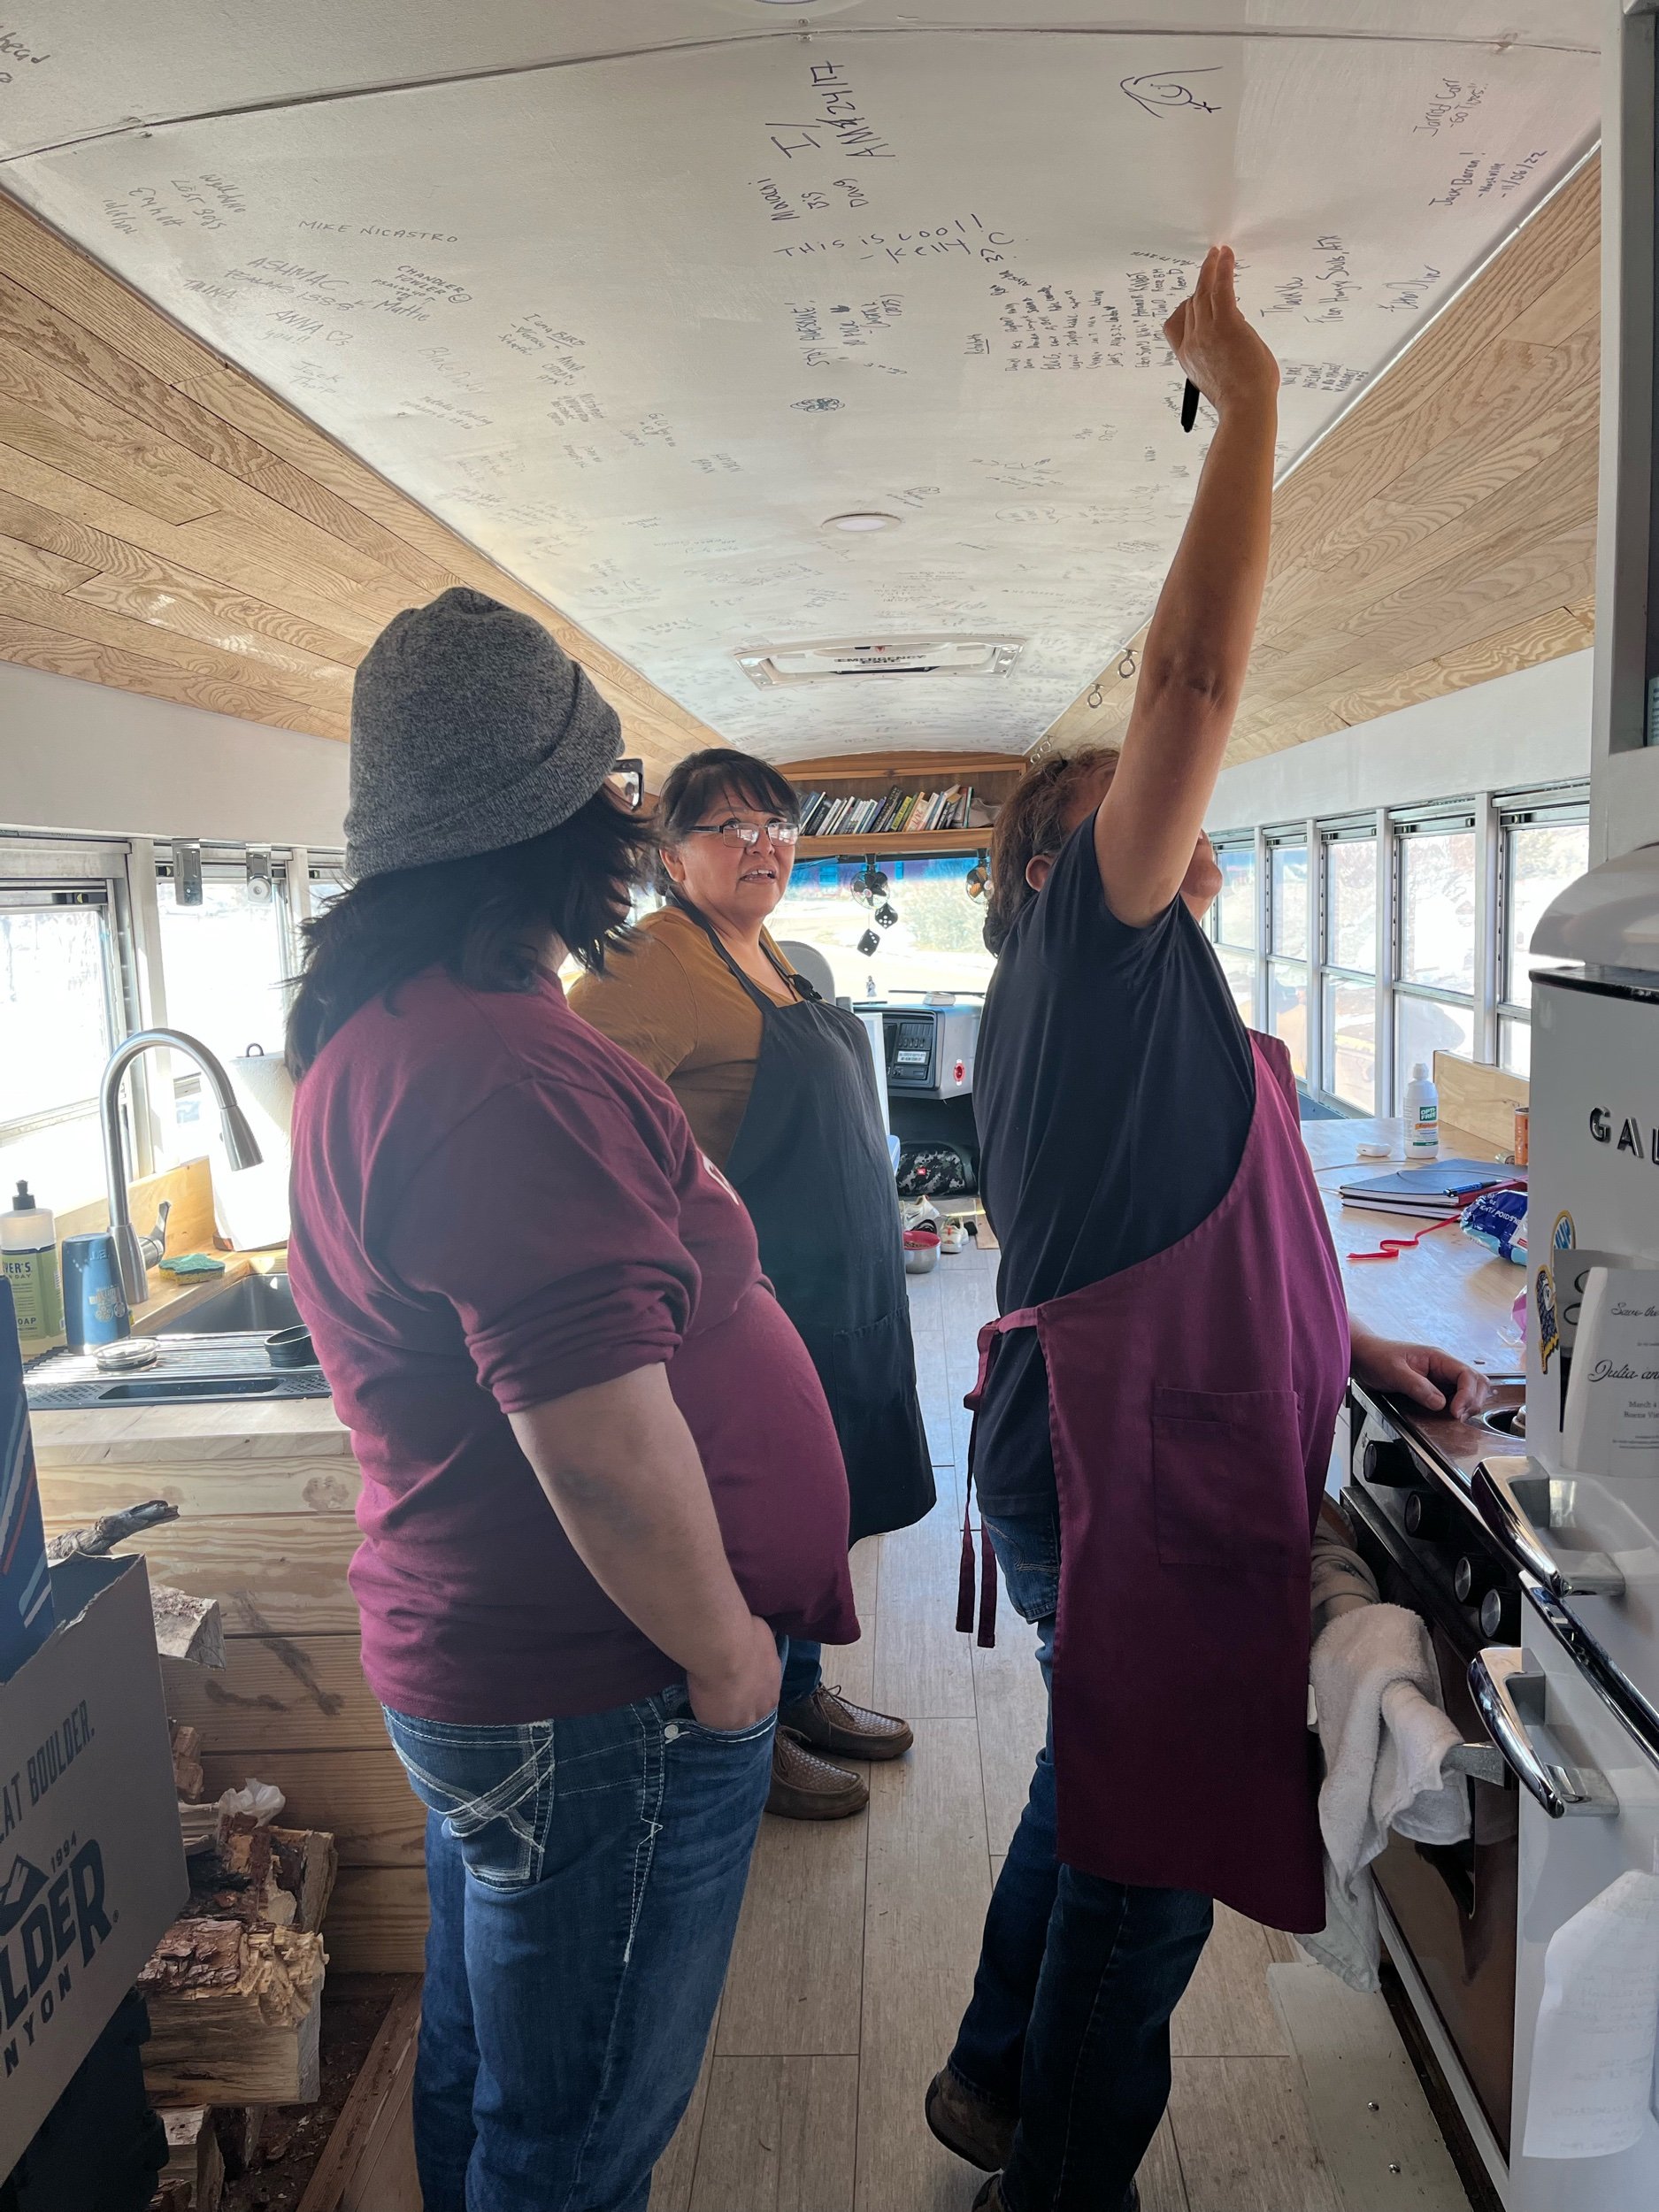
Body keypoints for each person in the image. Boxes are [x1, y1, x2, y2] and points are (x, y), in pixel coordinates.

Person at [923, 250, 1492, 2212]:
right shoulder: (1089, 953)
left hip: (1134, 1461)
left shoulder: (1173, 1018)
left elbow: (1213, 1229)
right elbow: (1190, 677)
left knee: (1101, 1788)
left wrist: (1346, 1344)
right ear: (1057, 860)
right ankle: (1056, 2186)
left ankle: (994, 2085)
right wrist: (1243, 398)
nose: (1184, 818)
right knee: (1147, 1866)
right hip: (1118, 1486)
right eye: (1125, 815)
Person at [283, 588, 859, 2212]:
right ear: (568, 827)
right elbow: (600, 1451)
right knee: (576, 2139)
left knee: (489, 2076)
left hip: (506, 1669)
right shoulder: (498, 1075)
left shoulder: (396, 1033)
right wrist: (733, 1662)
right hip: (596, 1694)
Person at [572, 749, 934, 1819]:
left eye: (775, 825)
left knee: (823, 1505)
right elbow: (577, 1122)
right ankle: (747, 1733)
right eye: (730, 826)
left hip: (841, 1292)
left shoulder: (761, 949)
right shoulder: (649, 962)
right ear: (670, 855)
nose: (761, 845)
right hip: (747, 1304)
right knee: (758, 1524)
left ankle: (802, 1690)